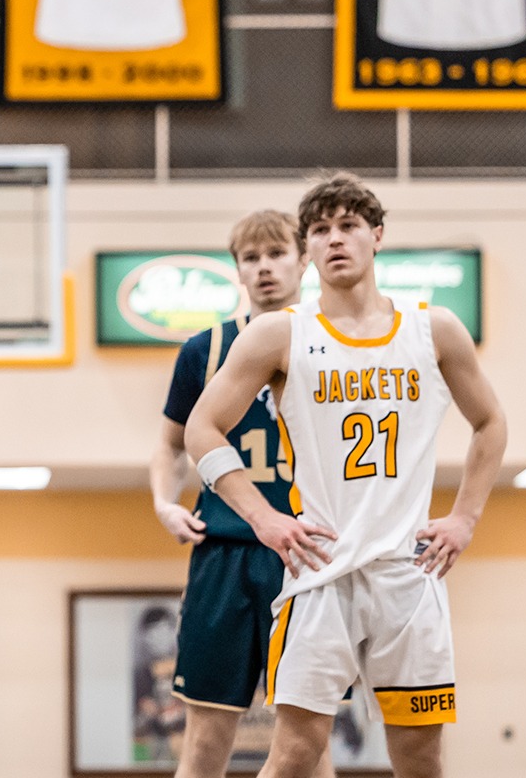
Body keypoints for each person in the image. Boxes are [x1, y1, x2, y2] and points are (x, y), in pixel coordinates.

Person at [184, 174, 509, 778]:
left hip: (408, 576)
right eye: (320, 229)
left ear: (377, 235)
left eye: (349, 225)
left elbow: (490, 422)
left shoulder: (433, 329)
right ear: (306, 249)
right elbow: (200, 430)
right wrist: (264, 518)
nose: (335, 239)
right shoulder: (280, 333)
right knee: (295, 755)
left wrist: (465, 517)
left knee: (420, 757)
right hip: (319, 574)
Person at [151, 210, 335, 778]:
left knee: (310, 743)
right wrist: (164, 501)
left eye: (275, 254)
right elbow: (171, 445)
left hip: (308, 556)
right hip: (226, 551)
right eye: (250, 259)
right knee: (206, 738)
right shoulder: (206, 350)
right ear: (237, 271)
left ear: (302, 261)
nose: (263, 268)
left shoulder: (334, 346)